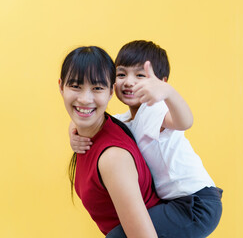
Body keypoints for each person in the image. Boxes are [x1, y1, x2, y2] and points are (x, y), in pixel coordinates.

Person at [70, 40, 223, 238]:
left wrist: (168, 94)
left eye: (140, 76)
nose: (129, 82)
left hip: (195, 204)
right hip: (174, 203)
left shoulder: (155, 110)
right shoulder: (125, 120)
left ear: (162, 82)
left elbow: (185, 121)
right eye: (121, 74)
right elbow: (90, 119)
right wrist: (72, 134)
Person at [59, 46, 161, 237]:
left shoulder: (113, 158)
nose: (85, 99)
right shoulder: (88, 134)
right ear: (60, 87)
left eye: (97, 88)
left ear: (110, 92)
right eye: (75, 86)